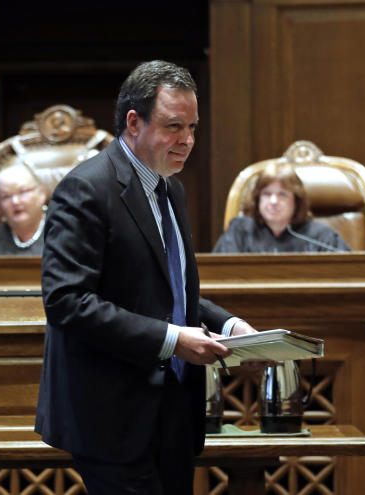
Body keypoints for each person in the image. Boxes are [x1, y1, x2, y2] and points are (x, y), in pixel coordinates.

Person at [36, 60, 259, 495]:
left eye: (193, 127)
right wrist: (175, 339)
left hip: (171, 410)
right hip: (111, 414)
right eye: (175, 126)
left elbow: (167, 292)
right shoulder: (87, 189)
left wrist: (230, 326)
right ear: (133, 123)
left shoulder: (170, 187)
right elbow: (67, 301)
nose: (188, 141)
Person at [213, 162, 350, 253]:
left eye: (282, 195)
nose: (273, 201)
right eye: (266, 194)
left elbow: (349, 275)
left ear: (296, 201)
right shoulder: (240, 232)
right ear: (257, 199)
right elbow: (219, 277)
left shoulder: (323, 237)